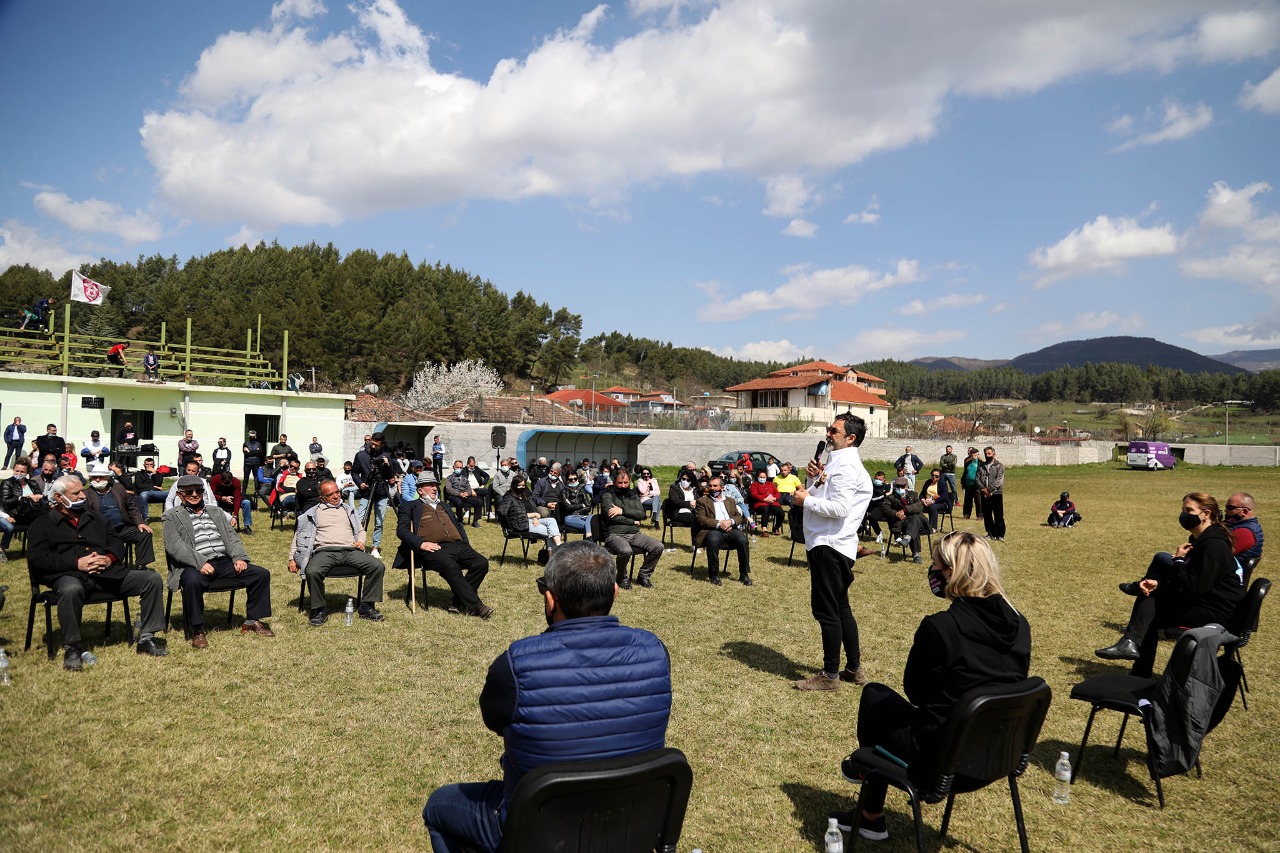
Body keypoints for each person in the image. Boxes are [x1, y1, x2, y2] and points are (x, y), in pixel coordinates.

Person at [422, 541, 672, 853]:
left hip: (537, 824)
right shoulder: (654, 651)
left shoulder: (517, 662)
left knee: (438, 806)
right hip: (629, 819)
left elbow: (495, 719)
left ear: (550, 600)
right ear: (615, 592)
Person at [831, 532, 1030, 842]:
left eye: (936, 566)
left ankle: (870, 805)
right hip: (998, 756)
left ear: (953, 572)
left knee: (874, 696)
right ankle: (863, 770)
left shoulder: (941, 627)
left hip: (941, 763)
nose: (932, 573)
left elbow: (917, 693)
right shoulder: (1020, 625)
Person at [1097, 492, 1245, 677]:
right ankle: (1134, 653)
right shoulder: (1201, 539)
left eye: (1189, 510)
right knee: (1150, 598)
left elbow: (1195, 588)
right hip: (1205, 602)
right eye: (1183, 510)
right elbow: (1188, 583)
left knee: (1151, 604)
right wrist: (1158, 583)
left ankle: (1134, 654)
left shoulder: (1213, 545)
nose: (1184, 515)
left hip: (1216, 612)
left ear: (1206, 514)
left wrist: (1180, 562)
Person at [28, 475, 169, 669]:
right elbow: (38, 558)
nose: (81, 496)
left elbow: (117, 542)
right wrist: (77, 563)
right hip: (69, 575)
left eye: (82, 491)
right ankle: (73, 648)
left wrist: (109, 558)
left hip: (106, 574)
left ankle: (146, 638)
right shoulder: (42, 524)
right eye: (75, 493)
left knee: (151, 579)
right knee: (70, 590)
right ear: (59, 497)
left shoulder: (95, 517)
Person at [791, 413, 872, 691]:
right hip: (832, 544)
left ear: (850, 438)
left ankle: (830, 675)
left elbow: (839, 510)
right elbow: (826, 496)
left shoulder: (847, 467)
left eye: (834, 430)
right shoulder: (836, 464)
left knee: (826, 612)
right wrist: (813, 480)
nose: (828, 433)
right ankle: (854, 669)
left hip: (830, 545)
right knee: (841, 608)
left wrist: (807, 499)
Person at [162, 474, 274, 649]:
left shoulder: (216, 512)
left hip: (223, 561)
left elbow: (232, 537)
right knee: (191, 581)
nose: (194, 494)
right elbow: (174, 546)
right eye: (188, 491)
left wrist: (239, 557)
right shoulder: (171, 516)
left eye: (198, 490)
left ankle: (252, 620)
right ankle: (197, 630)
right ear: (179, 494)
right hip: (193, 564)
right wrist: (200, 563)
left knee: (260, 574)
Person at [394, 472, 492, 618]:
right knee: (451, 566)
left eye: (436, 485)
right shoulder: (410, 506)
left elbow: (458, 525)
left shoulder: (444, 505)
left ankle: (457, 601)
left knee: (481, 563)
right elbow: (401, 530)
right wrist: (421, 544)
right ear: (420, 490)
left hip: (458, 545)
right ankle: (476, 606)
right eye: (430, 485)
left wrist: (465, 542)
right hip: (432, 548)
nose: (434, 488)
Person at [290, 479, 386, 626]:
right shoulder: (312, 513)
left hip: (350, 550)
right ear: (322, 498)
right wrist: (292, 558)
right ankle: (319, 610)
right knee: (312, 571)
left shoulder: (349, 510)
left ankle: (367, 607)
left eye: (337, 492)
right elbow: (298, 536)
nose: (336, 496)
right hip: (324, 551)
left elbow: (361, 530)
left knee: (377, 566)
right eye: (330, 494)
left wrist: (361, 541)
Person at [82, 462, 156, 570]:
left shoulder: (118, 488)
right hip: (102, 532)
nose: (97, 479)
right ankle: (110, 565)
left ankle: (141, 565)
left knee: (144, 533)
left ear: (107, 478)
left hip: (123, 527)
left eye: (100, 477)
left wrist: (140, 522)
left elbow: (132, 507)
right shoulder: (86, 494)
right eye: (94, 477)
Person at [598, 468, 664, 589]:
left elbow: (641, 514)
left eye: (626, 483)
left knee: (658, 546)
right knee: (626, 550)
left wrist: (622, 511)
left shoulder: (633, 494)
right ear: (614, 482)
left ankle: (644, 575)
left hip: (634, 533)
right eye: (620, 483)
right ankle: (622, 577)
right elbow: (612, 517)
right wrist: (633, 520)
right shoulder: (608, 495)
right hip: (614, 534)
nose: (623, 486)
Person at [694, 475, 752, 586]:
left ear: (722, 488)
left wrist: (730, 522)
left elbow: (738, 516)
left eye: (715, 486)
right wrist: (720, 524)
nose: (712, 488)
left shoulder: (730, 501)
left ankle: (744, 574)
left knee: (743, 540)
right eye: (710, 486)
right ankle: (714, 574)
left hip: (730, 529)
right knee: (713, 540)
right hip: (713, 529)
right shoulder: (702, 501)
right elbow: (701, 519)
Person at [498, 473, 563, 555]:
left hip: (532, 520)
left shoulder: (525, 496)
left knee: (551, 521)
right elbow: (502, 512)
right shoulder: (509, 497)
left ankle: (559, 546)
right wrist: (508, 526)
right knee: (550, 531)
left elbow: (533, 508)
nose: (521, 487)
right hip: (520, 524)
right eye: (519, 485)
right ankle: (554, 557)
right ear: (514, 485)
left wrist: (535, 517)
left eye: (523, 485)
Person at [353, 432, 393, 557]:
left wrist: (387, 465)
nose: (373, 446)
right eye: (372, 443)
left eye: (376, 445)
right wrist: (360, 483)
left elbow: (390, 476)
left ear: (382, 444)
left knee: (379, 521)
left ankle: (375, 548)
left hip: (381, 492)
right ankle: (358, 543)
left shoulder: (386, 455)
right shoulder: (361, 455)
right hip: (367, 491)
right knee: (360, 519)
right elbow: (354, 472)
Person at [1, 459, 46, 551]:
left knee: (47, 516)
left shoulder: (32, 483)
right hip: (14, 513)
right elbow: (5, 502)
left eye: (22, 472)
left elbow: (39, 498)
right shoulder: (7, 483)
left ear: (27, 472)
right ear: (13, 470)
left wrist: (39, 497)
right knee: (43, 517)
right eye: (17, 471)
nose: (19, 473)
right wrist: (22, 497)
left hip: (31, 512)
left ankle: (40, 547)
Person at [211, 468, 253, 535]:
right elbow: (211, 495)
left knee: (246, 502)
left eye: (229, 484)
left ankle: (247, 527)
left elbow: (237, 498)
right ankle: (218, 527)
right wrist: (223, 498)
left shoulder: (236, 482)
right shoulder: (215, 479)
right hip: (220, 499)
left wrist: (235, 516)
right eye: (225, 484)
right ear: (221, 479)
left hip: (233, 499)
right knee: (213, 504)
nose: (227, 486)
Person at [976, 446, 1005, 541]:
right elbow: (977, 479)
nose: (987, 455)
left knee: (998, 515)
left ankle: (1000, 534)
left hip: (996, 494)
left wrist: (990, 490)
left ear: (994, 454)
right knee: (987, 515)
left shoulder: (999, 466)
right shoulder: (981, 466)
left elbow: (999, 480)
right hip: (984, 494)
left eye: (989, 453)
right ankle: (990, 533)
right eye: (986, 454)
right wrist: (983, 489)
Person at [445, 460, 486, 527]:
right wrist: (459, 494)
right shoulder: (449, 478)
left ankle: (475, 521)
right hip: (454, 496)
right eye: (457, 467)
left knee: (479, 502)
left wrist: (467, 493)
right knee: (459, 503)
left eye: (461, 467)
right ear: (453, 467)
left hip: (465, 496)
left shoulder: (464, 478)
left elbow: (469, 488)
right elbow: (449, 489)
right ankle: (460, 520)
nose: (459, 469)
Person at [1225, 492, 1264, 561]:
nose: (1226, 510)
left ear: (1244, 511)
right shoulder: (1239, 526)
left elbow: (1218, 554)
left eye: (1230, 508)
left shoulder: (1245, 532)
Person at [748, 470, 785, 535]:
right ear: (757, 477)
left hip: (772, 502)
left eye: (764, 477)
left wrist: (774, 498)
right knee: (766, 509)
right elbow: (754, 495)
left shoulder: (771, 484)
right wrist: (764, 499)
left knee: (780, 513)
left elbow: (777, 493)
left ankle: (776, 527)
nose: (762, 479)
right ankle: (764, 529)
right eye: (761, 477)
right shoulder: (754, 485)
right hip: (760, 503)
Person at [558, 470, 592, 539]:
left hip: (584, 516)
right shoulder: (564, 491)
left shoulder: (582, 490)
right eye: (570, 479)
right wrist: (581, 505)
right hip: (571, 517)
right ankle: (588, 540)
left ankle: (588, 539)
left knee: (592, 516)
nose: (573, 481)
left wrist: (574, 507)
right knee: (592, 525)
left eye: (575, 479)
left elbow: (588, 507)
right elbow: (568, 508)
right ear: (567, 480)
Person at [918, 468, 953, 533]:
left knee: (933, 507)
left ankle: (933, 528)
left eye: (936, 476)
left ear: (940, 477)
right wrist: (923, 500)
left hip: (941, 503)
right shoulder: (928, 482)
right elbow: (921, 494)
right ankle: (920, 526)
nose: (934, 477)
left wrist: (933, 501)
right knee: (916, 507)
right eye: (933, 475)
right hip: (927, 502)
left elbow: (944, 496)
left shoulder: (943, 484)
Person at [960, 447, 982, 521]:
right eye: (972, 453)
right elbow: (965, 472)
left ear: (977, 454)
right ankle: (966, 514)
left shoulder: (980, 462)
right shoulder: (967, 462)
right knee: (967, 501)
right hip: (968, 484)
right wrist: (963, 482)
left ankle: (980, 515)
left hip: (977, 485)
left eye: (975, 453)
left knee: (978, 501)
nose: (973, 455)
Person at [242, 430, 264, 495]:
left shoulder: (258, 444)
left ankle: (257, 492)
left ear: (255, 436)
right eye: (251, 436)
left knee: (256, 478)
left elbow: (259, 452)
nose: (252, 437)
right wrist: (254, 451)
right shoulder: (245, 443)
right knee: (246, 478)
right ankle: (243, 492)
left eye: (253, 436)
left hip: (256, 464)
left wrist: (249, 451)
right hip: (247, 463)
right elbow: (246, 454)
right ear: (249, 436)